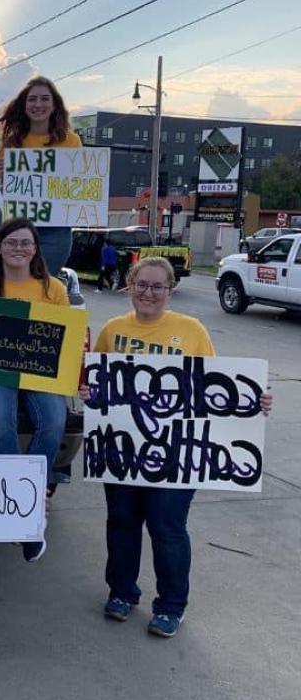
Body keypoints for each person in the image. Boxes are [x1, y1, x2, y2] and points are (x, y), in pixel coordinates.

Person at [83, 256, 272, 638]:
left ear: (171, 291)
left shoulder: (191, 329)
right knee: (121, 522)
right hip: (122, 451)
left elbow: (218, 386)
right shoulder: (113, 329)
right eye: (141, 285)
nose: (148, 293)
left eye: (157, 287)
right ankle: (122, 592)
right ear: (130, 286)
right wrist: (88, 391)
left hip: (174, 454)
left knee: (167, 526)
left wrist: (255, 401)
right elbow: (97, 384)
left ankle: (171, 605)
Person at [0, 217, 69, 561]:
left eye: (26, 243)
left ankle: (26, 503)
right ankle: (23, 513)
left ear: (36, 249)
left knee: (53, 423)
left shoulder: (54, 289)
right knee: (1, 423)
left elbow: (62, 336)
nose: (19, 249)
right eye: (11, 242)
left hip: (38, 374)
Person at [0, 75, 83, 275]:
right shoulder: (12, 142)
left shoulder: (71, 141)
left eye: (44, 99)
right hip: (16, 229)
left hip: (56, 230)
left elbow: (77, 187)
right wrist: (3, 175)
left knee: (42, 285)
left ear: (54, 105)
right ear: (24, 105)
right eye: (32, 99)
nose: (38, 104)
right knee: (15, 286)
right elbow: (0, 192)